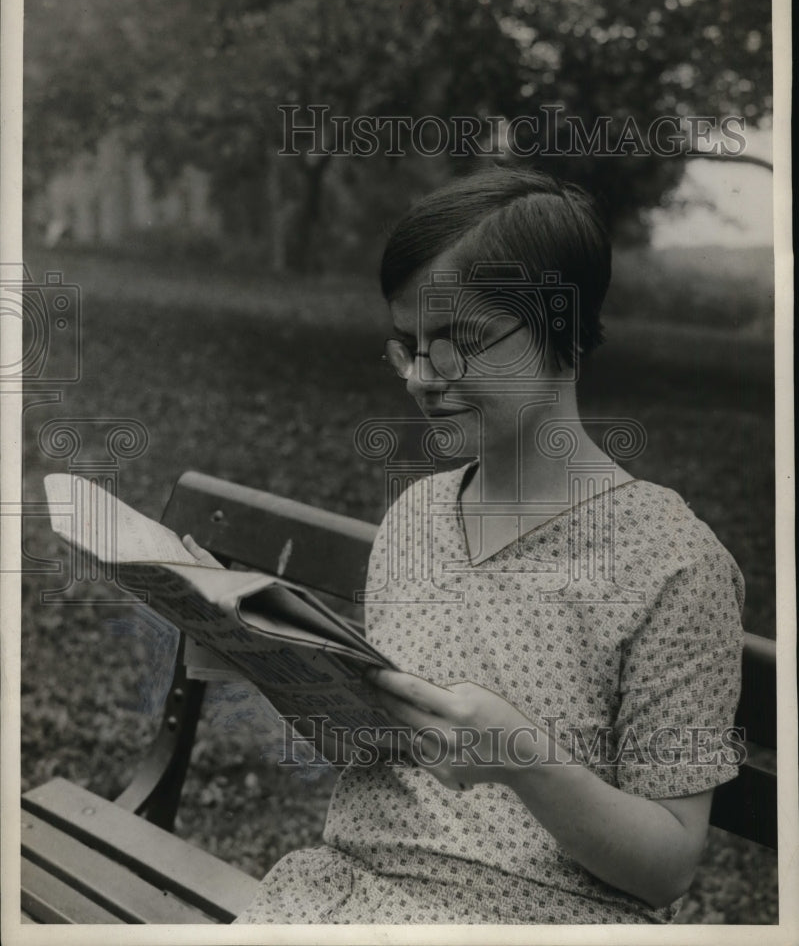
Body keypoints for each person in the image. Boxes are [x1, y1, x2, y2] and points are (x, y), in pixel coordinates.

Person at [203, 167, 745, 924]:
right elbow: (396, 754)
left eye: (457, 343)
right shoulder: (417, 515)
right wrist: (303, 684)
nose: (422, 378)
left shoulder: (671, 564)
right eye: (407, 346)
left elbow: (665, 868)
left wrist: (522, 759)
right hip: (345, 897)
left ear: (559, 326)